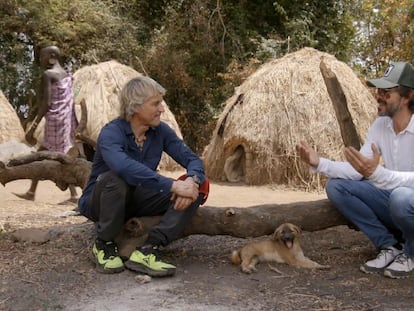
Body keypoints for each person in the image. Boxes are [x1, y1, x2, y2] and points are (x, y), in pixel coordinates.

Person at [78, 76, 207, 277]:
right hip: (102, 201)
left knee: (195, 192)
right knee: (117, 178)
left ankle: (148, 249)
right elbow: (123, 167)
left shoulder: (160, 131)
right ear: (135, 107)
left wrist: (192, 180)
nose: (162, 109)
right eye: (155, 103)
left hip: (136, 199)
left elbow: (193, 160)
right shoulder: (111, 132)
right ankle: (103, 244)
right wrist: (173, 186)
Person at [296, 61, 414, 278]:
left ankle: (411, 253)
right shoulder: (380, 125)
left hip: (407, 202)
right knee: (337, 187)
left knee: (401, 197)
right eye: (378, 90)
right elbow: (358, 170)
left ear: (407, 97)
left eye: (387, 92)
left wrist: (379, 175)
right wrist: (319, 163)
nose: (379, 96)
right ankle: (389, 246)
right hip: (397, 204)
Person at [15, 45, 79, 203]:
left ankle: (74, 195)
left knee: (60, 156)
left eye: (42, 56)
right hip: (65, 120)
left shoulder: (48, 74)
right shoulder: (67, 74)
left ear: (52, 56)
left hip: (55, 122)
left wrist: (33, 126)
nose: (40, 60)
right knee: (43, 153)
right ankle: (31, 191)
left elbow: (47, 103)